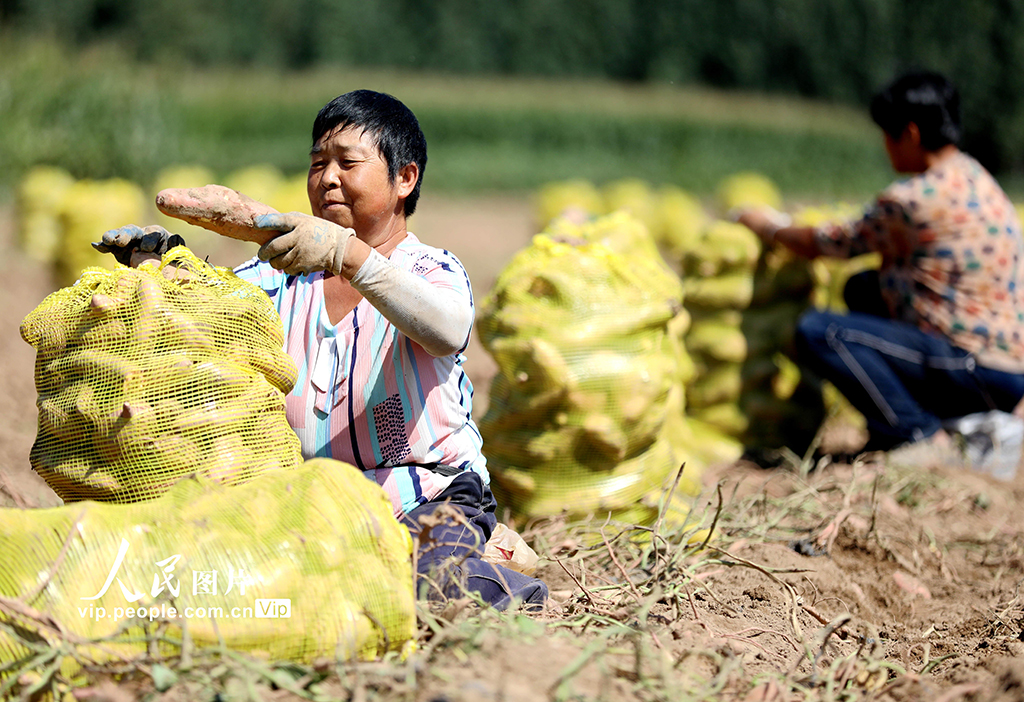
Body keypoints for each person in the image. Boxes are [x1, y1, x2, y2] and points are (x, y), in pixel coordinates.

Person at [96, 89, 548, 610]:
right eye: (317, 163)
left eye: (347, 163)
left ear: (405, 178)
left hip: (426, 497)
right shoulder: (275, 278)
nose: (328, 178)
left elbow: (447, 329)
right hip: (306, 503)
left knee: (411, 584)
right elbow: (214, 320)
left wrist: (347, 253)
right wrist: (164, 269)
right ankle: (486, 552)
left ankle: (516, 593)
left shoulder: (430, 269)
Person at [735, 71, 1024, 470]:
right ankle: (918, 419)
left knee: (819, 331)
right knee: (864, 288)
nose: (887, 149)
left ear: (910, 133)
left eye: (888, 137)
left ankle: (920, 434)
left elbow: (828, 243)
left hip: (972, 369)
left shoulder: (911, 198)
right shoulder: (976, 176)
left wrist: (765, 224)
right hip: (1008, 372)